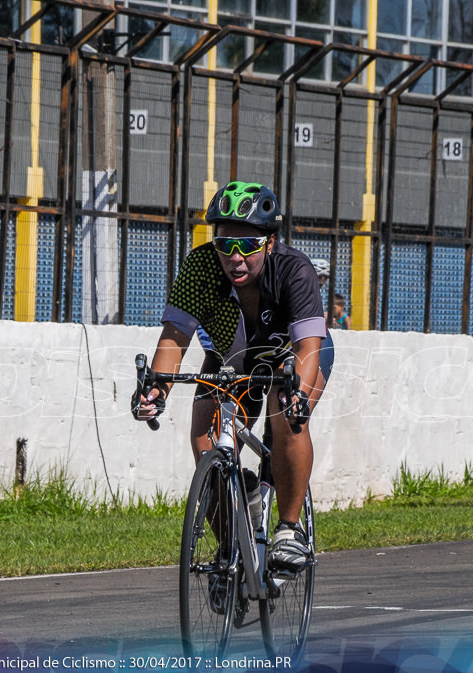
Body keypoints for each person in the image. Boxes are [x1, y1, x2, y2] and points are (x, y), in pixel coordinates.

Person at [133, 180, 332, 573]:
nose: (235, 257)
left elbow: (309, 347)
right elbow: (175, 338)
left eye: (248, 246)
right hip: (231, 357)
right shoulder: (200, 267)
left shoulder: (295, 270)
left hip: (289, 355)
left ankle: (290, 530)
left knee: (285, 413)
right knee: (203, 432)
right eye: (225, 245)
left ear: (270, 243)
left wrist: (300, 398)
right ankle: (231, 549)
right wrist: (157, 388)